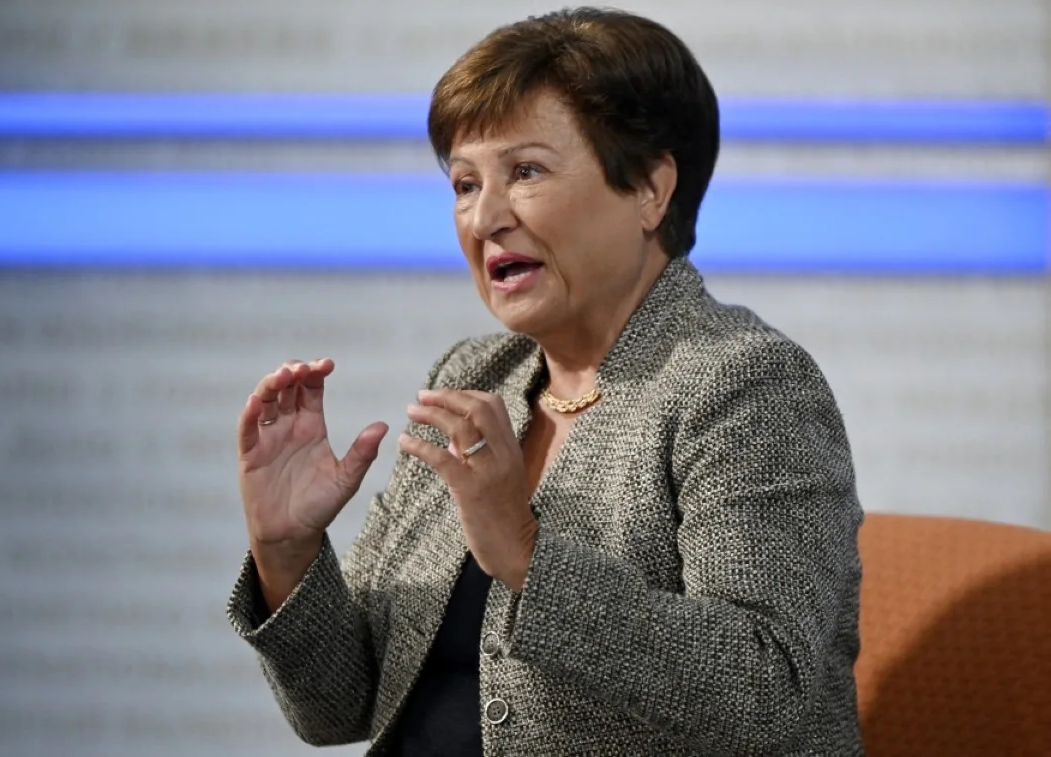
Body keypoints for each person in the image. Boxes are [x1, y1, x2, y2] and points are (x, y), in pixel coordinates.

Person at [226, 7, 864, 756]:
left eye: (525, 172)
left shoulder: (742, 386)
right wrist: (289, 550)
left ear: (652, 189)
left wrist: (529, 555)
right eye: (465, 184)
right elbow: (344, 705)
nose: (484, 218)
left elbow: (762, 691)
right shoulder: (474, 378)